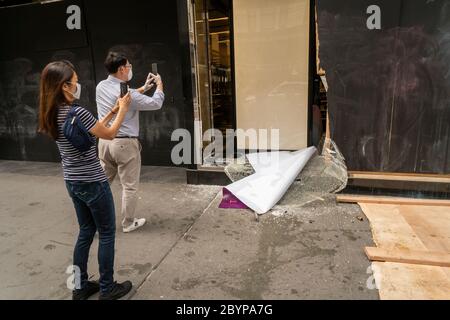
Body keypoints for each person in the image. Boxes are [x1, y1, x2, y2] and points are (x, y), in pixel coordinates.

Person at [38, 60, 132, 300]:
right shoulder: (77, 112)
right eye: (75, 82)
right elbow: (108, 134)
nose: (78, 84)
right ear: (64, 86)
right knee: (107, 233)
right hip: (92, 181)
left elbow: (93, 128)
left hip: (72, 182)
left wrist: (112, 110)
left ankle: (79, 288)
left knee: (86, 232)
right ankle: (108, 288)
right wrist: (123, 109)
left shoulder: (51, 113)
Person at [96, 52, 164, 233]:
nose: (130, 69)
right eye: (129, 66)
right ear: (121, 69)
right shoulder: (127, 94)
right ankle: (128, 223)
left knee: (102, 184)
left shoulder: (101, 86)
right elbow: (155, 103)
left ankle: (93, 222)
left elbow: (128, 96)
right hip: (125, 145)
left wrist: (143, 87)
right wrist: (159, 86)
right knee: (129, 187)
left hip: (104, 142)